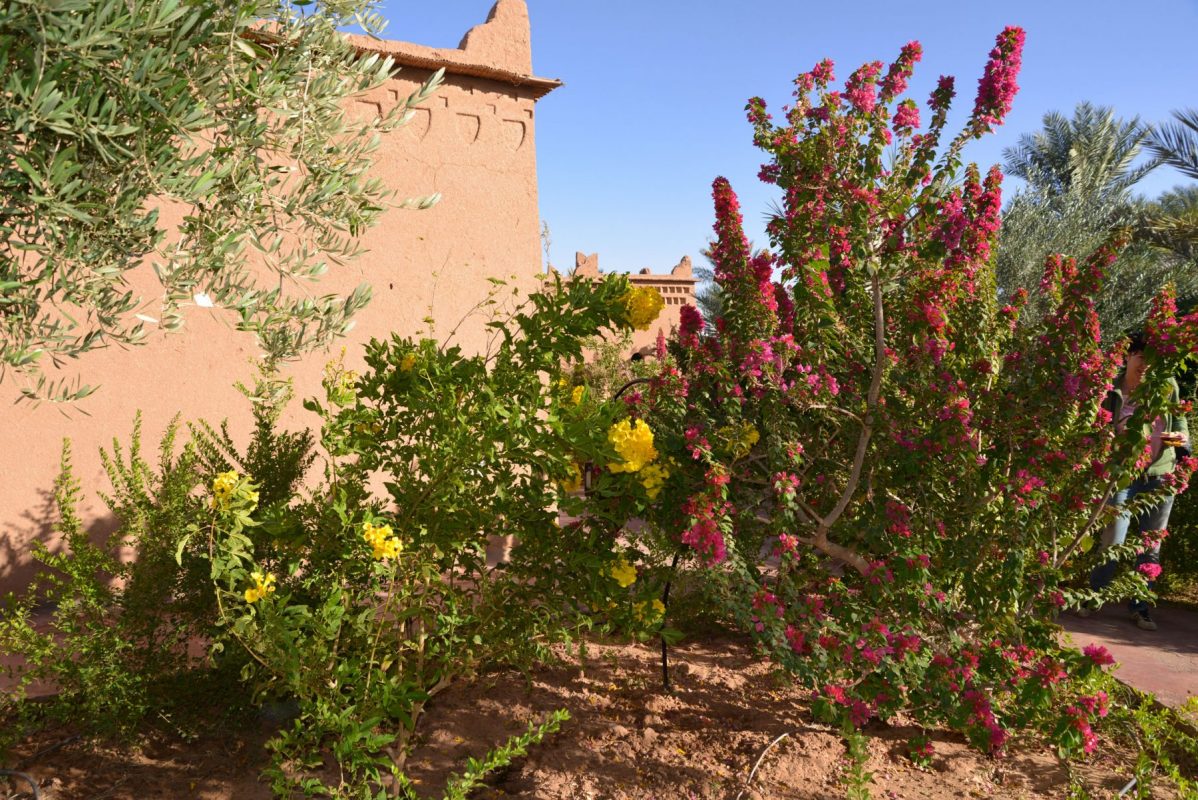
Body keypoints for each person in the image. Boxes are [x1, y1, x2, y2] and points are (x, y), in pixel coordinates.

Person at [1086, 332, 1190, 631]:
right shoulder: (1113, 388)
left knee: (1151, 546)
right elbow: (1099, 427)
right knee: (1113, 538)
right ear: (1129, 356)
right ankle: (1094, 597)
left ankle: (1140, 607)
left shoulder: (1166, 385)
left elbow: (1178, 421)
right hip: (1121, 476)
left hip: (1159, 475)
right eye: (1141, 357)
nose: (1146, 365)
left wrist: (1180, 440)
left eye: (1153, 360)